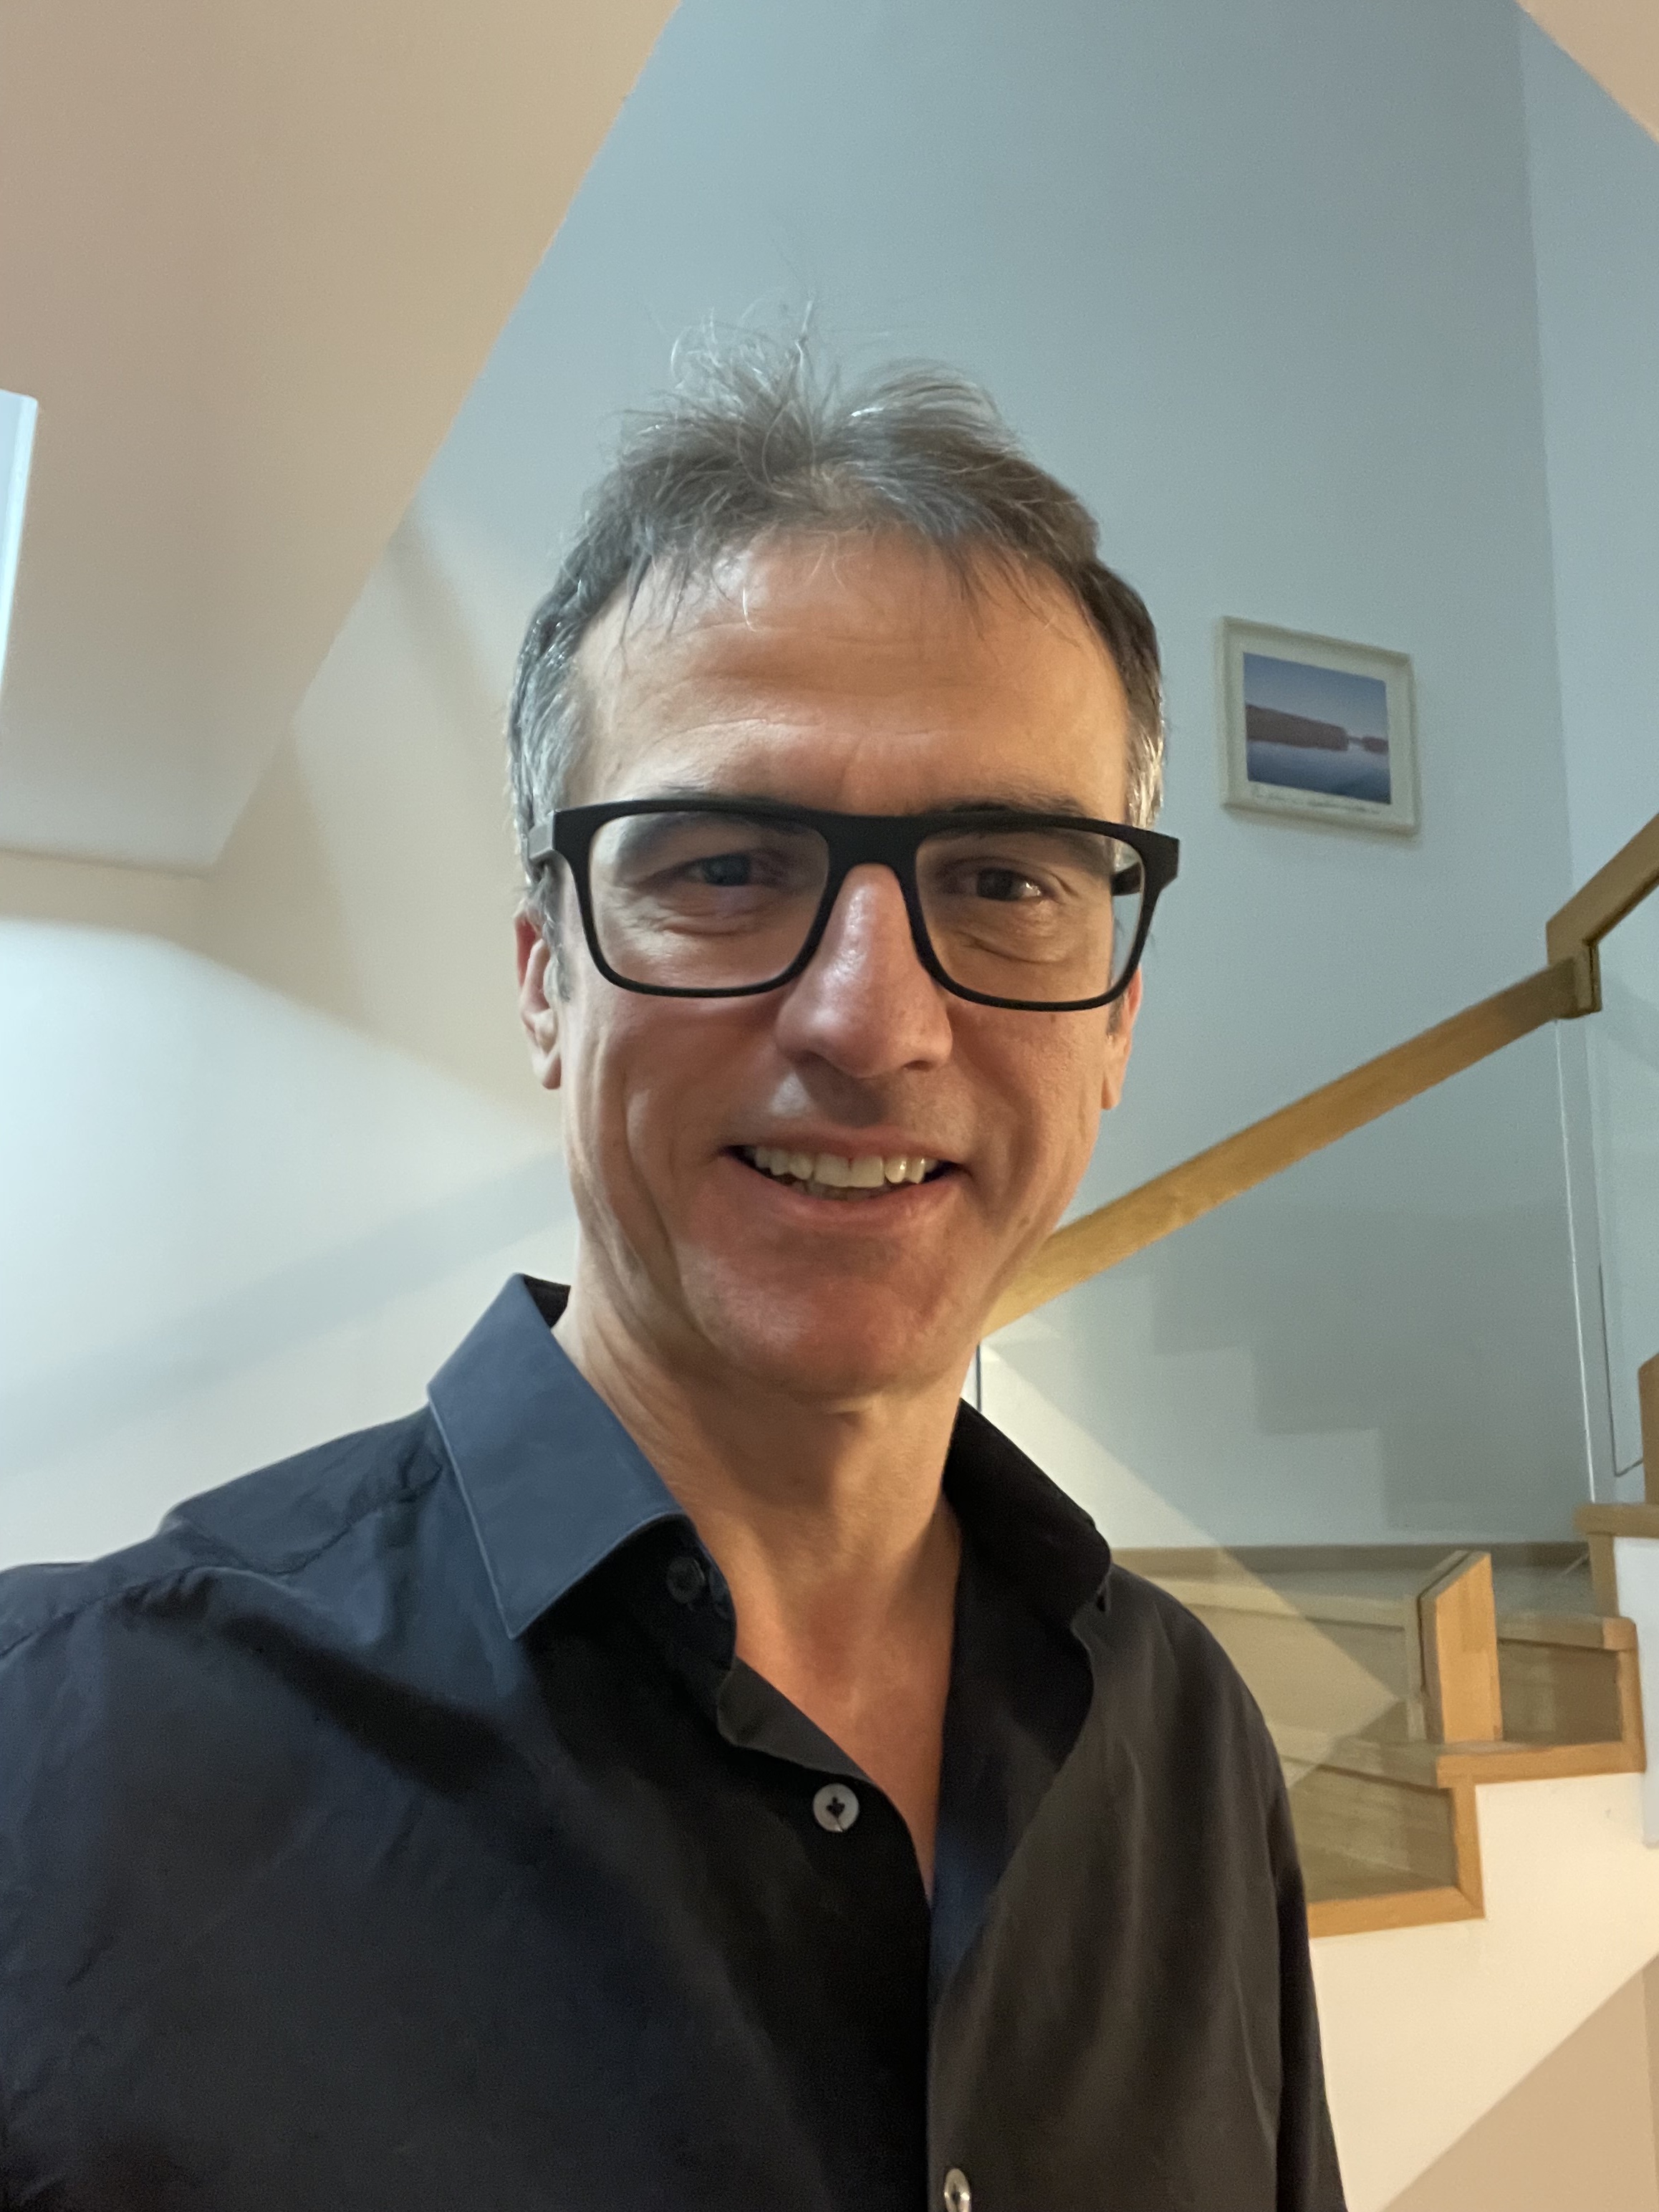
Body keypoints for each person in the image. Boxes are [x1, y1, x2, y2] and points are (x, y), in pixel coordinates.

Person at [0, 342, 1345, 2211]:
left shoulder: (1185, 1739)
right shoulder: (63, 1758)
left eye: (1004, 881)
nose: (871, 1021)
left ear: (1114, 1018)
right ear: (546, 979)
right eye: (722, 867)